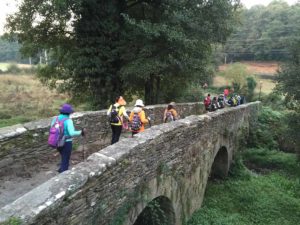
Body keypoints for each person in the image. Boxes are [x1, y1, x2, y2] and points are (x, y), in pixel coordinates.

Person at [51, 103, 85, 173]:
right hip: (66, 142)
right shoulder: (68, 120)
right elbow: (72, 133)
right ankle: (63, 174)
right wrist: (81, 132)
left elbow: (52, 128)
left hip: (57, 141)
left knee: (63, 155)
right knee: (66, 158)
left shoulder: (55, 119)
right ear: (69, 113)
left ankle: (61, 168)